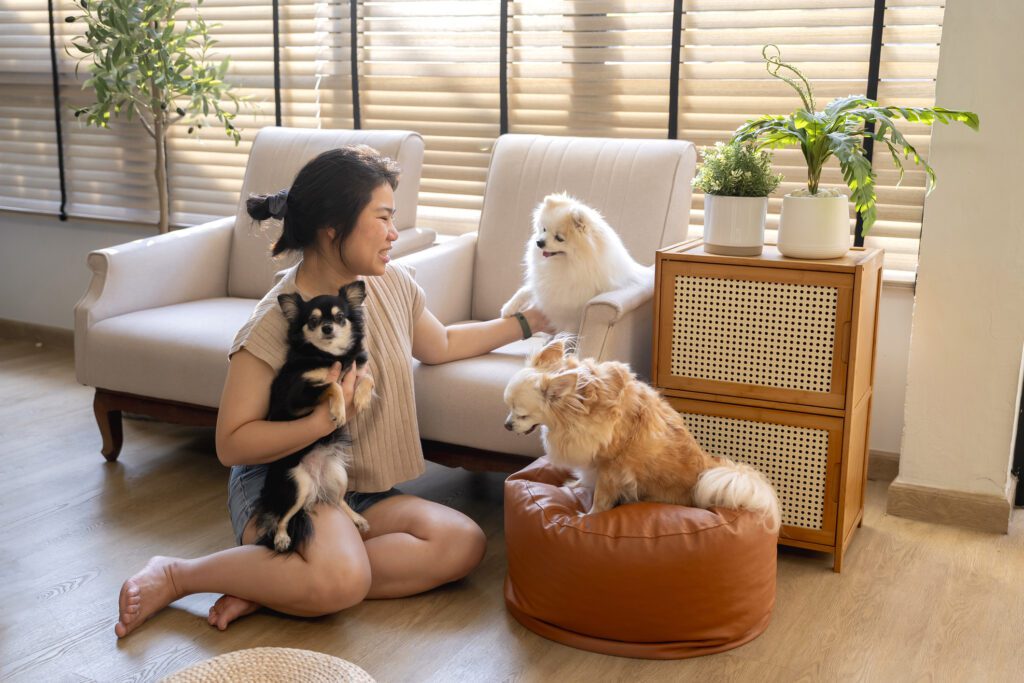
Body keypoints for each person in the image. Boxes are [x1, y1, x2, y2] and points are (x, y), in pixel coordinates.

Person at [115, 145, 552, 638]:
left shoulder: (390, 284)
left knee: (462, 543)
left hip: (355, 488)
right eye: (383, 218)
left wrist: (523, 323)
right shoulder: (275, 322)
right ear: (332, 227)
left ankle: (278, 582)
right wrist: (320, 423)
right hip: (284, 486)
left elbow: (442, 343)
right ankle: (179, 574)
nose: (393, 233)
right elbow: (231, 443)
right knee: (340, 580)